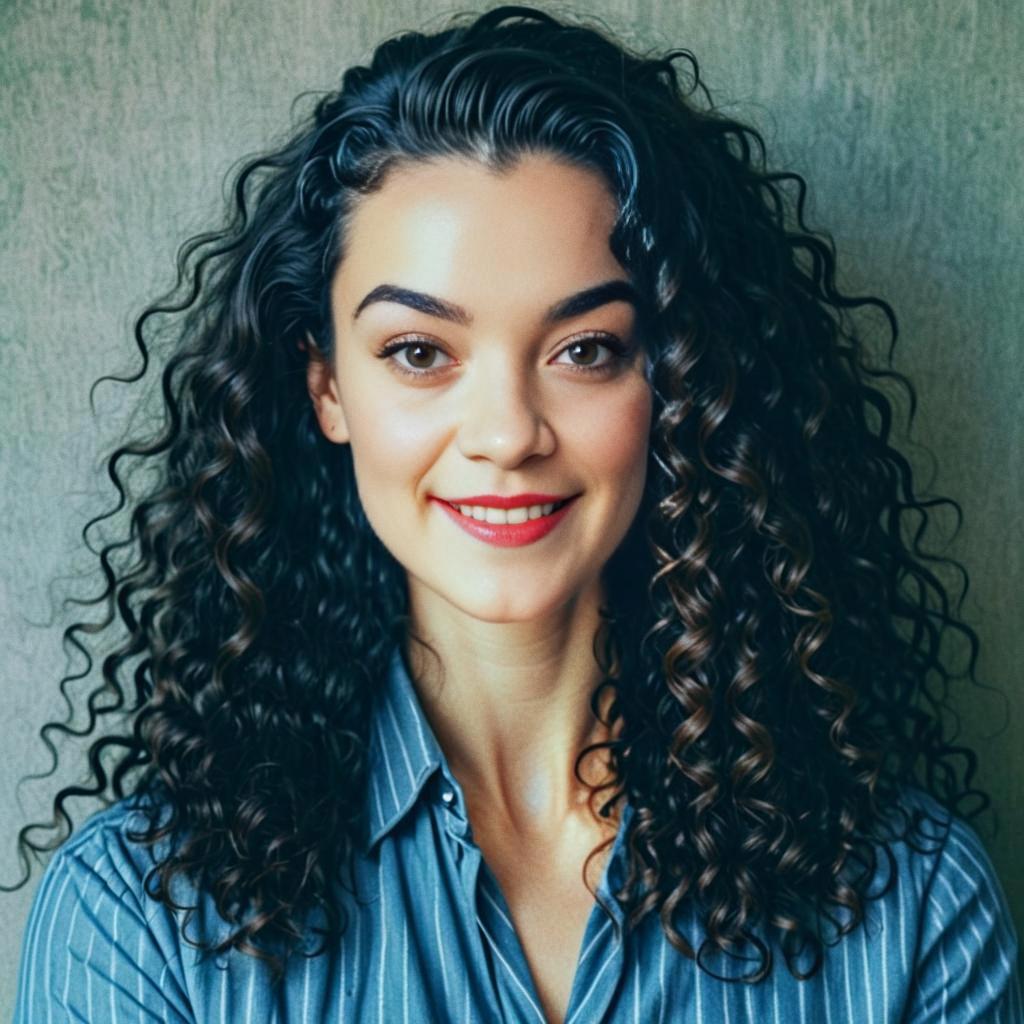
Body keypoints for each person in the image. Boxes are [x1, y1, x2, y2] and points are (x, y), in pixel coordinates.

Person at [7, 5, 1021, 1022]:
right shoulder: (136, 919)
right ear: (324, 388)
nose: (506, 433)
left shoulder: (912, 903)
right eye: (417, 352)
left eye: (585, 349)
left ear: (680, 383)